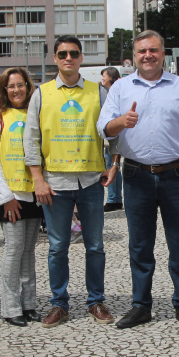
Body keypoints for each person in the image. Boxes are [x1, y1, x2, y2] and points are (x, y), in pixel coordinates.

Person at [98, 30, 179, 329]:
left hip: (177, 174)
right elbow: (104, 128)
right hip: (137, 176)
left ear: (163, 54)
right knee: (140, 245)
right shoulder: (121, 88)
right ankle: (141, 305)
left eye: (153, 50)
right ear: (134, 56)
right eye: (142, 51)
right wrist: (121, 122)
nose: (148, 55)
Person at [24, 35, 117, 328]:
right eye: (63, 53)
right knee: (57, 247)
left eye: (74, 53)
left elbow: (112, 131)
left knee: (95, 246)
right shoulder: (41, 94)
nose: (68, 58)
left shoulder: (98, 92)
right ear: (55, 58)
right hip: (55, 183)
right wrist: (37, 179)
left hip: (90, 182)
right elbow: (32, 138)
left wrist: (114, 164)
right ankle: (58, 303)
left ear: (80, 58)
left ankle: (96, 301)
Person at [0, 67, 43, 327]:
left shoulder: (36, 116)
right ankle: (10, 307)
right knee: (13, 250)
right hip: (11, 196)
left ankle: (28, 303)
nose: (17, 90)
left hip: (34, 195)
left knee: (29, 251)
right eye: (11, 86)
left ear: (28, 88)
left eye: (21, 85)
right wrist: (5, 196)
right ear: (3, 90)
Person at [100, 67, 123, 212]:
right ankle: (115, 198)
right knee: (113, 166)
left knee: (112, 165)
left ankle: (114, 199)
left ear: (111, 77)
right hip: (111, 136)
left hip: (112, 136)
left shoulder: (112, 92)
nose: (102, 78)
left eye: (104, 75)